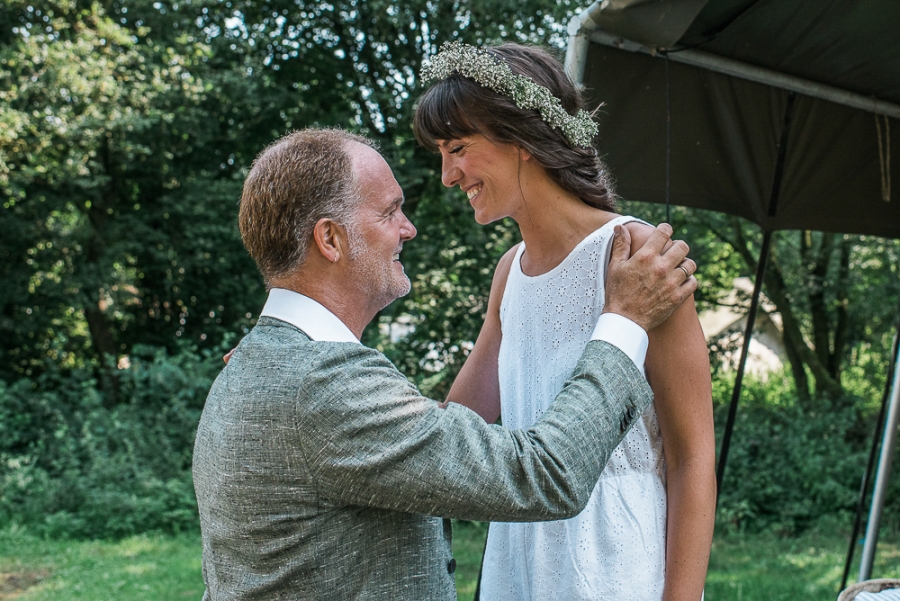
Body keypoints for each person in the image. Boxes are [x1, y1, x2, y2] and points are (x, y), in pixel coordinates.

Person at [192, 127, 697, 600]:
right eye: (390, 212)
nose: (408, 229)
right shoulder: (321, 385)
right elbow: (545, 474)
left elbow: (431, 436)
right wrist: (626, 319)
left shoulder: (257, 368)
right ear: (330, 240)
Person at [413, 42, 716, 601]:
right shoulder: (510, 273)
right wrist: (307, 367)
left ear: (521, 138)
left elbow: (692, 456)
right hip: (520, 560)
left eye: (457, 147)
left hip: (618, 564)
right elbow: (454, 429)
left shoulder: (635, 255)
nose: (446, 175)